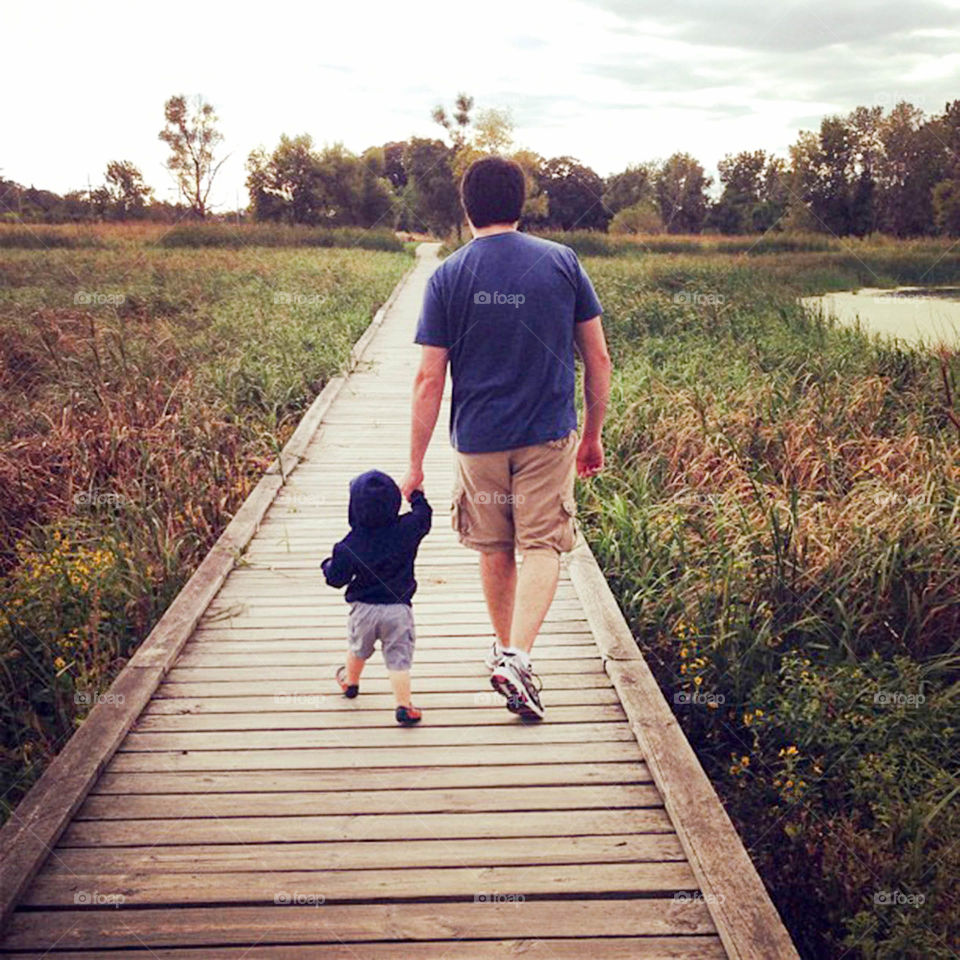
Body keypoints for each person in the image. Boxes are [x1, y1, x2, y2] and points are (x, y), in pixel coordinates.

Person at [401, 155, 612, 721]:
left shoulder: (447, 276)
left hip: (478, 439)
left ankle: (507, 652)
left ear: (466, 208)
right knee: (542, 544)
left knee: (495, 547)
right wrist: (592, 435)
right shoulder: (562, 262)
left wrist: (415, 464)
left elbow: (429, 377)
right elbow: (597, 358)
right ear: (522, 203)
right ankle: (516, 657)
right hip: (547, 436)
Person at [322, 470, 432, 725]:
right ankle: (404, 705)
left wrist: (327, 565)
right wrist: (416, 494)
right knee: (398, 658)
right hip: (398, 610)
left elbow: (335, 578)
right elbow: (424, 517)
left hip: (364, 611)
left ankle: (351, 682)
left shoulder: (348, 546)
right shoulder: (407, 529)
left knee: (358, 647)